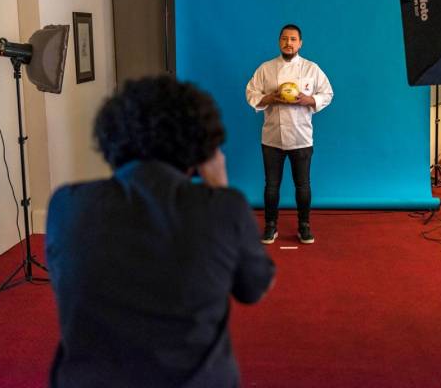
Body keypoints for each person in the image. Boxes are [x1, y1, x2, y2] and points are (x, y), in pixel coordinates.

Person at [46, 76, 275, 388]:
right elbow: (253, 287)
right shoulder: (224, 209)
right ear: (201, 145)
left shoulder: (67, 205)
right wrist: (220, 188)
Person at [246, 24, 334, 245]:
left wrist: (310, 100)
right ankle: (270, 226)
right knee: (271, 185)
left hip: (301, 137)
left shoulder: (311, 69)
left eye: (293, 39)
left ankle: (304, 226)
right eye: (285, 39)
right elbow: (251, 92)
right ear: (279, 42)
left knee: (303, 185)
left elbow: (328, 93)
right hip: (272, 137)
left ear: (300, 43)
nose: (289, 43)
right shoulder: (266, 68)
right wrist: (269, 98)